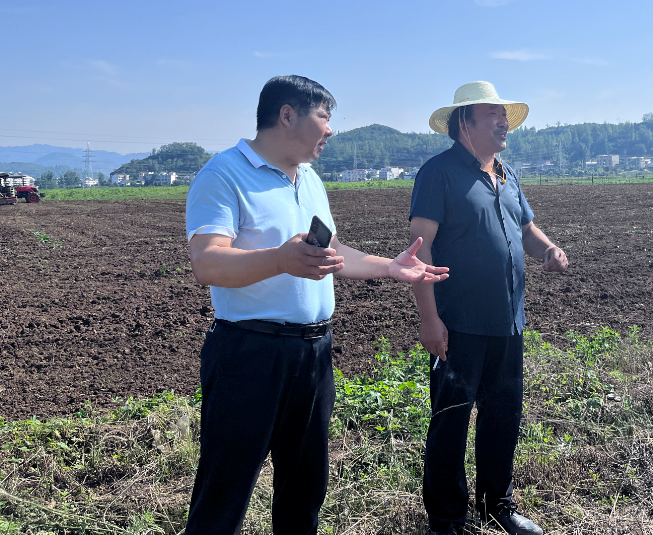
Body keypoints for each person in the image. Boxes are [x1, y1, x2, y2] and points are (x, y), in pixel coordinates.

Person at [183, 75, 449, 535]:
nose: (330, 130)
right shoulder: (222, 173)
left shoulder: (309, 179)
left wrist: (390, 267)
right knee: (224, 491)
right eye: (324, 117)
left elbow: (333, 253)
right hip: (249, 354)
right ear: (287, 115)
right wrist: (280, 259)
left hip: (313, 353)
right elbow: (207, 262)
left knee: (304, 489)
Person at [408, 81, 569, 535]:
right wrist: (430, 318)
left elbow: (526, 230)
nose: (503, 123)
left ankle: (496, 505)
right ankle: (446, 520)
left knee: (502, 418)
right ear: (464, 122)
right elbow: (420, 250)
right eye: (493, 115)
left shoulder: (505, 173)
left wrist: (548, 249)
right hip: (458, 324)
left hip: (508, 322)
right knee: (450, 423)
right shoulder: (438, 173)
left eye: (505, 115)